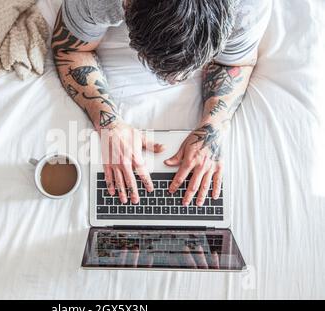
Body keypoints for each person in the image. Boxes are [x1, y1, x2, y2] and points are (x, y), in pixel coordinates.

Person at [51, 0, 271, 205]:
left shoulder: (249, 7)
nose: (174, 82)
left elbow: (236, 64)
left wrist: (213, 128)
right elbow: (70, 48)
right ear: (127, 5)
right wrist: (109, 122)